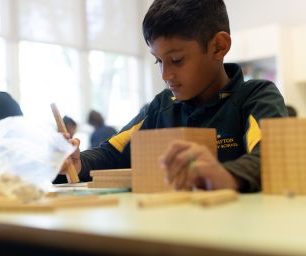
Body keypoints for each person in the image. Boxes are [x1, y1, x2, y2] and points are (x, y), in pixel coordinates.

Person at [61, 0, 287, 192]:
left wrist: (225, 175)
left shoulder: (256, 97)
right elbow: (112, 154)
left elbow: (272, 156)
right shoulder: (162, 106)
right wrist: (79, 163)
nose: (165, 75)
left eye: (177, 60)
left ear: (219, 46)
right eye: (158, 60)